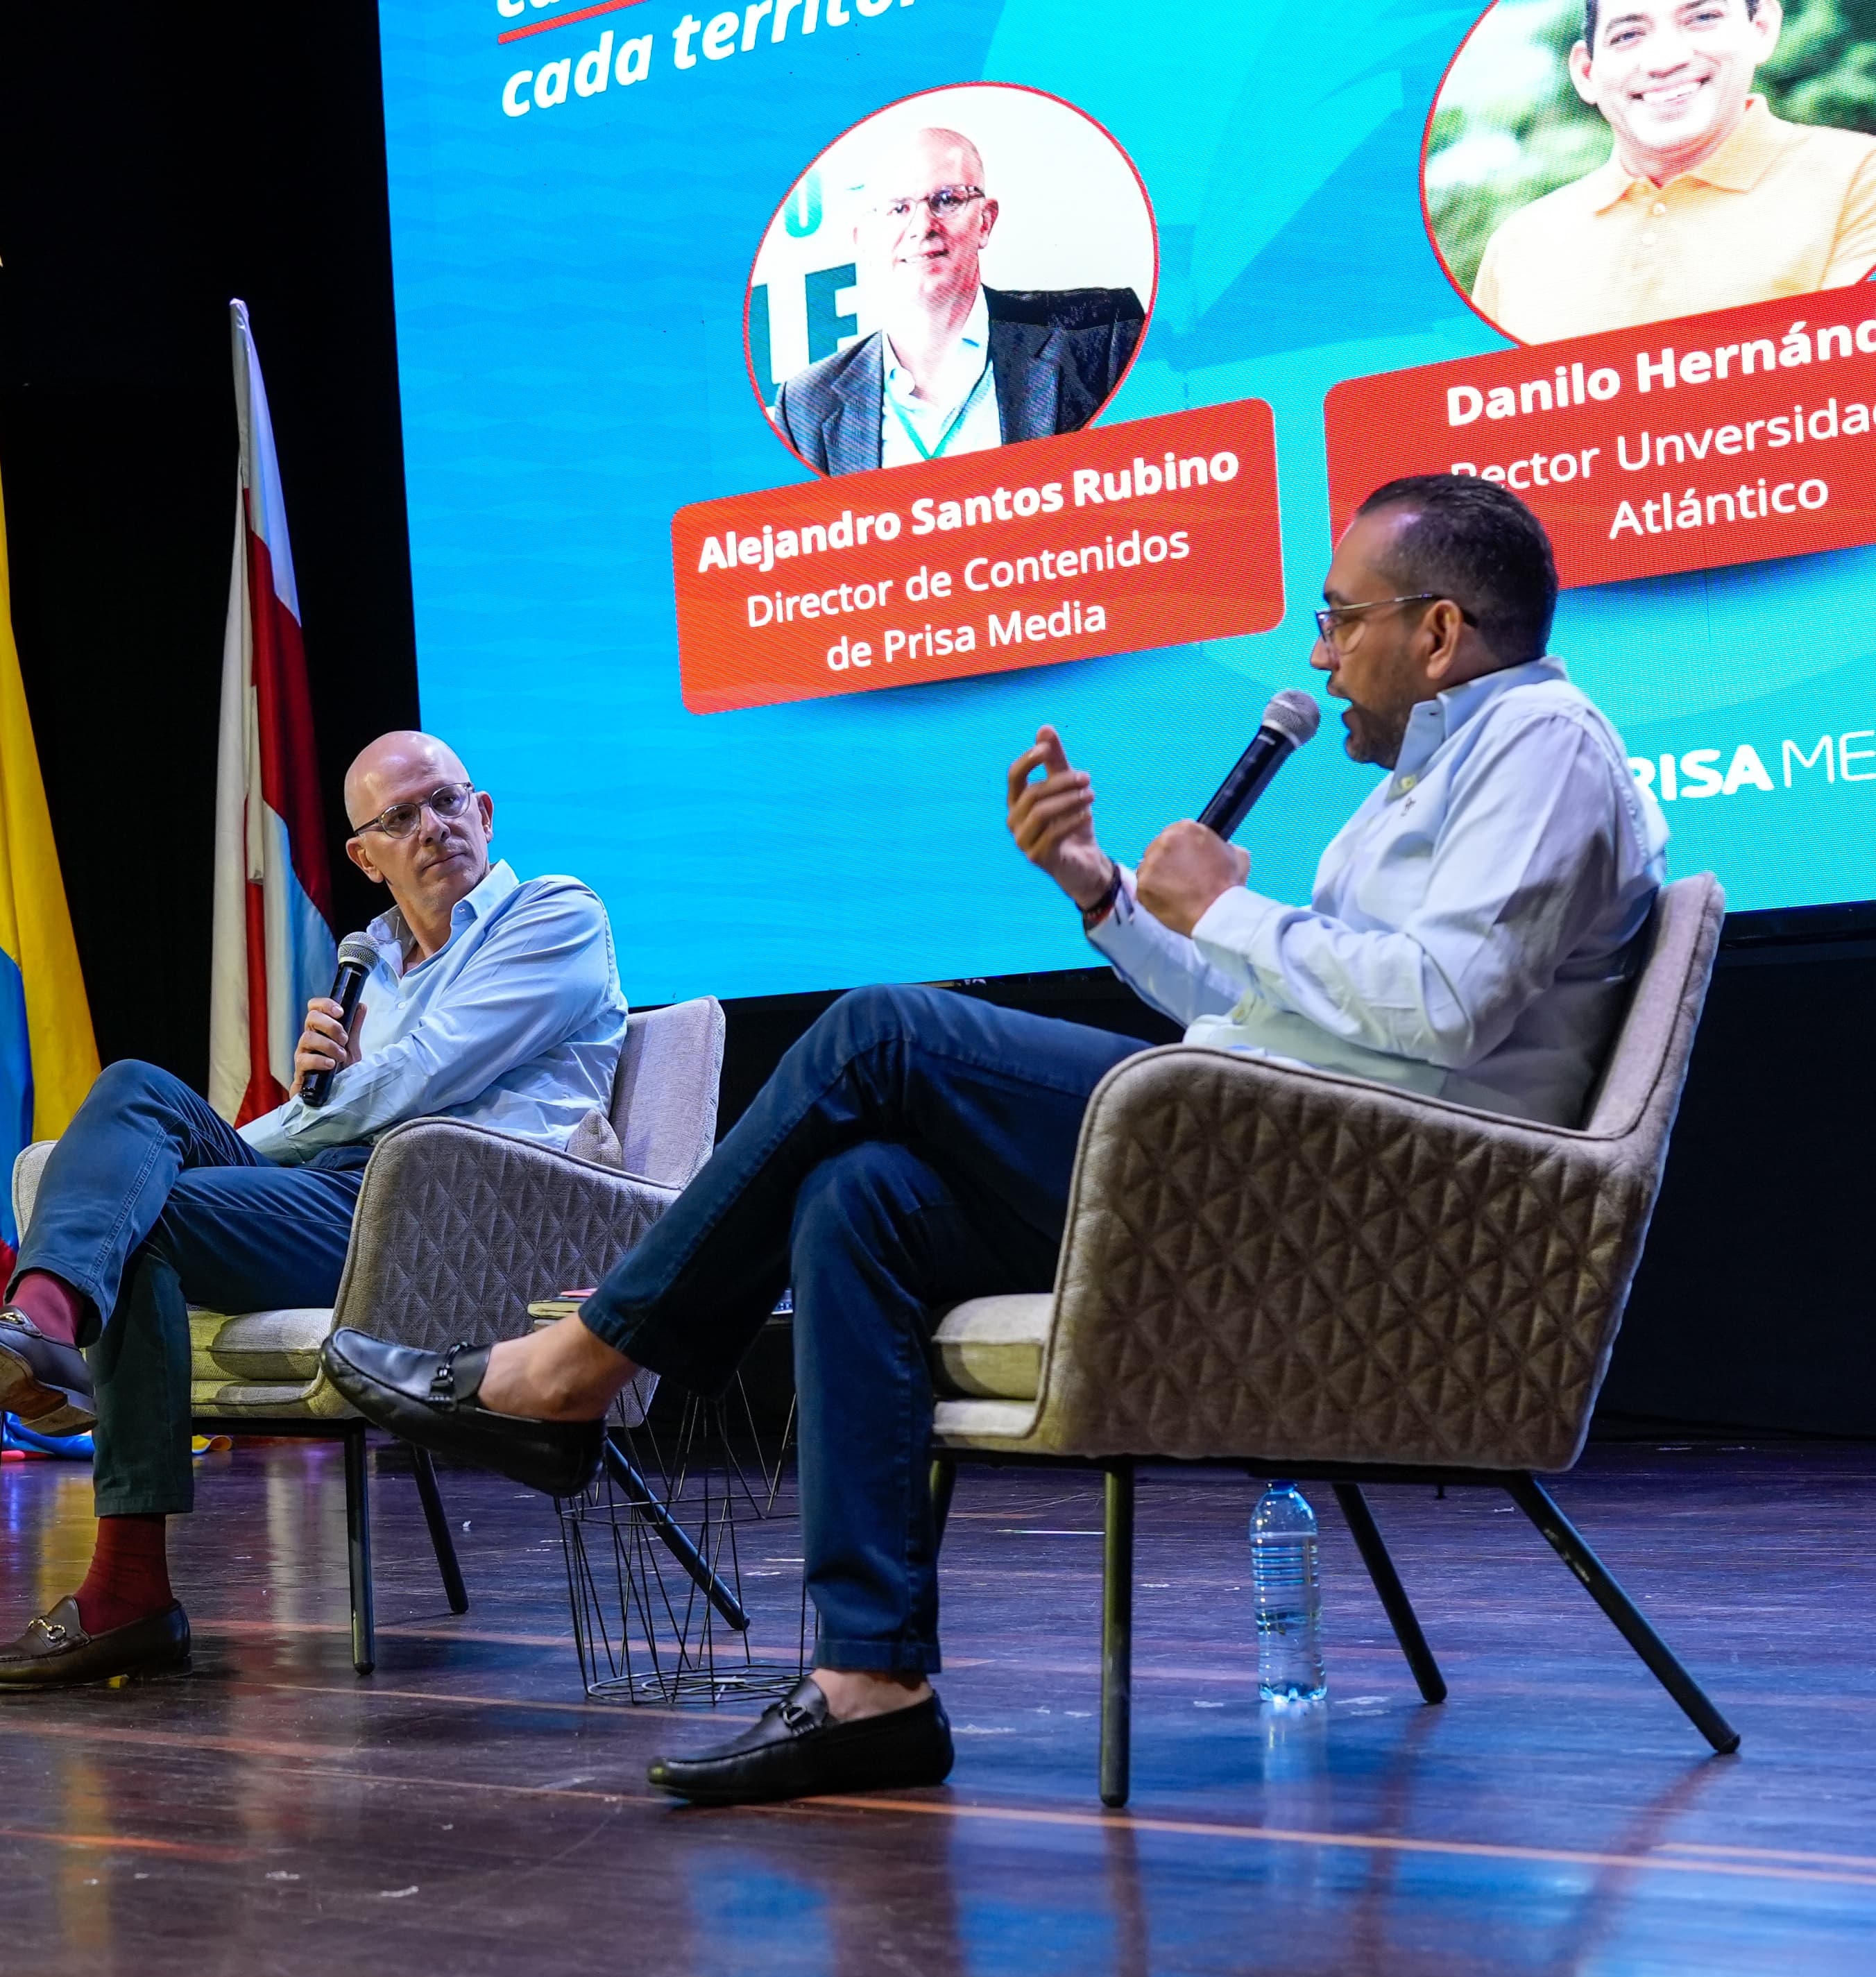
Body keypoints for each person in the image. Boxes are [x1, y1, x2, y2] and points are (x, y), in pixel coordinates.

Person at [331, 474, 1667, 1806]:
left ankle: (575, 1367)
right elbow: (1278, 1014)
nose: (1317, 655)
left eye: (1338, 618)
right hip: (1278, 1155)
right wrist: (1110, 895)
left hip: (1364, 1211)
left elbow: (1442, 1013)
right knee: (863, 1193)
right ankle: (871, 1686)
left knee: (883, 1034)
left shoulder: (1543, 744)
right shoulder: (1426, 785)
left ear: (1437, 634)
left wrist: (1231, 914)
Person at [0, 730, 627, 1692]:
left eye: (445, 802)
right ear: (365, 855)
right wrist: (195, 1143)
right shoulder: (372, 969)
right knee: (137, 1107)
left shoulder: (556, 915)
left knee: (142, 1200)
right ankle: (48, 1331)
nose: (431, 828)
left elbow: (424, 1082)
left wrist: (308, 1106)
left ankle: (118, 1564)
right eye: (399, 818)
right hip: (341, 1192)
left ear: (485, 811)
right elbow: (338, 1117)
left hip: (450, 1217)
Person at [1468, 0, 1876, 342]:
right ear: (1587, 73)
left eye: (1702, 18)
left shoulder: (1859, 178)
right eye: (1627, 35)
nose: (1665, 60)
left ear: (1762, 29)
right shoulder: (1518, 247)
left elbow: (1842, 399)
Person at [774, 124, 1147, 474]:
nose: (922, 227)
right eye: (898, 208)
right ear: (865, 240)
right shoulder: (806, 405)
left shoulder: (1101, 334)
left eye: (947, 200)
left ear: (985, 222)